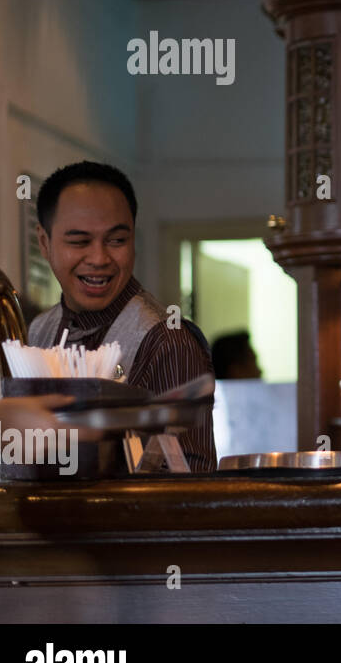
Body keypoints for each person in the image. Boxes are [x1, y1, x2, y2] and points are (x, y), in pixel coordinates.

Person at [27, 161, 217, 471]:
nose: (100, 259)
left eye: (117, 241)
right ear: (45, 243)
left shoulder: (167, 340)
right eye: (79, 242)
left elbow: (192, 482)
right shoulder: (38, 332)